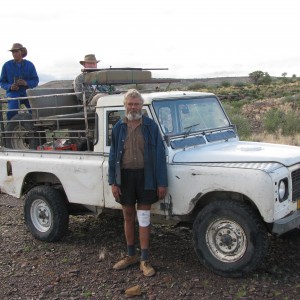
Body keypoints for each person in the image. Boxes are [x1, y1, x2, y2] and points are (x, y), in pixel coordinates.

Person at [108, 89, 168, 277]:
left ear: (142, 106)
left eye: (136, 104)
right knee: (127, 215)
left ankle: (144, 259)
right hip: (124, 178)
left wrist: (161, 182)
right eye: (130, 104)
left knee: (143, 217)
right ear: (125, 105)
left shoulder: (150, 126)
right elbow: (112, 157)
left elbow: (159, 155)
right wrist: (113, 182)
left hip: (146, 177)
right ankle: (130, 255)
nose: (133, 107)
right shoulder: (118, 127)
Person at [0, 43, 39, 120]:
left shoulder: (29, 65)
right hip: (13, 94)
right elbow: (2, 82)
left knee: (36, 112)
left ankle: (39, 131)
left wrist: (26, 83)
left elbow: (35, 80)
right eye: (13, 52)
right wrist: (10, 87)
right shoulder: (6, 65)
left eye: (16, 51)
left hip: (27, 93)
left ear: (22, 52)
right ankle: (11, 130)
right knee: (11, 112)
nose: (14, 54)